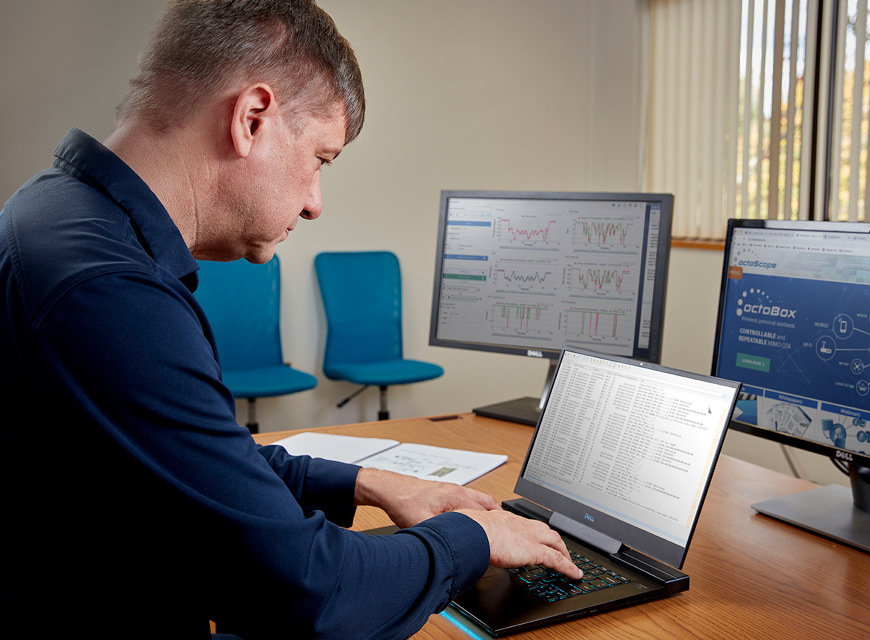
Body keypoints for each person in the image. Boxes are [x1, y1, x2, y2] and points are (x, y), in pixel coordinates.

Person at [0, 1, 580, 638]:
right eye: (321, 160)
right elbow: (312, 595)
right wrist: (471, 537)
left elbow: (194, 467)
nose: (314, 204)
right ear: (252, 119)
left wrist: (371, 483)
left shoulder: (55, 215)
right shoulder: (110, 294)